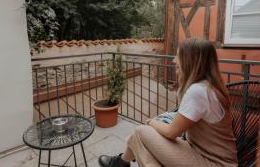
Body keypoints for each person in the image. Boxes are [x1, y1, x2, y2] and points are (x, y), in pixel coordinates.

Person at [98, 37, 238, 167]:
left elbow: (171, 132)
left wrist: (150, 122)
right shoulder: (208, 86)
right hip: (204, 152)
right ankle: (121, 162)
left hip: (212, 162)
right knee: (145, 137)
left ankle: (121, 162)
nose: (174, 61)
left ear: (191, 60)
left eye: (179, 56)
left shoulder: (198, 91)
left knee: (141, 132)